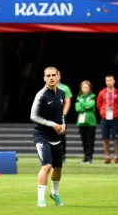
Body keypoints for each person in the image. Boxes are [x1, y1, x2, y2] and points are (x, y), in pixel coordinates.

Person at [30, 67, 66, 208]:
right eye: (48, 76)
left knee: (58, 167)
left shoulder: (62, 93)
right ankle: (40, 200)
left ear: (58, 77)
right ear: (44, 78)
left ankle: (54, 193)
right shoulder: (41, 95)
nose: (51, 78)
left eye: (53, 75)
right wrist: (53, 124)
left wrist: (62, 125)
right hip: (42, 135)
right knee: (47, 165)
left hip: (55, 136)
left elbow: (60, 113)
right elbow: (33, 116)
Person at [97, 75, 118, 164]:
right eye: (107, 80)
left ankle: (116, 156)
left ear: (114, 81)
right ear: (105, 82)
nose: (109, 82)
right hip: (105, 117)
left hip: (114, 117)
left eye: (110, 80)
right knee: (105, 138)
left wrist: (116, 111)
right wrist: (102, 111)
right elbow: (99, 104)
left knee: (116, 138)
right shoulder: (102, 93)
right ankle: (107, 157)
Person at [75, 80, 97, 164]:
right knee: (84, 140)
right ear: (81, 88)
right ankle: (85, 157)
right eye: (83, 87)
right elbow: (77, 108)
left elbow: (91, 105)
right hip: (81, 122)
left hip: (91, 122)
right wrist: (85, 106)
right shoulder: (78, 97)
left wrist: (82, 105)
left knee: (90, 140)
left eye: (86, 87)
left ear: (89, 88)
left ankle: (90, 157)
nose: (85, 89)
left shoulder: (93, 96)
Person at [57, 70, 73, 163]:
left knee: (61, 136)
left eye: (57, 75)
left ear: (60, 76)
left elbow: (68, 102)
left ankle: (62, 155)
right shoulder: (48, 87)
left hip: (61, 116)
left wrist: (64, 114)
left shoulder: (65, 88)